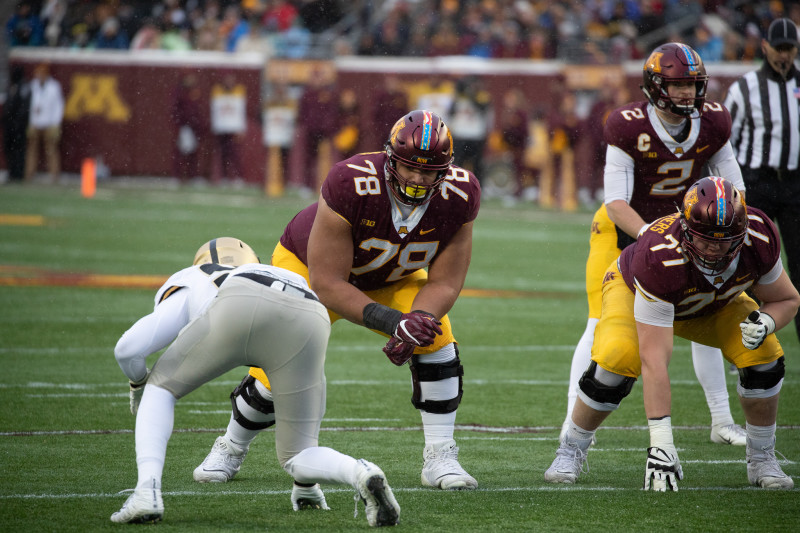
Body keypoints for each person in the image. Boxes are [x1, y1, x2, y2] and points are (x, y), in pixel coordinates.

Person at [194, 110, 480, 491]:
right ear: (390, 159)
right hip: (309, 267)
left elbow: (445, 282)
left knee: (436, 337)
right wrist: (394, 322)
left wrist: (417, 320)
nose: (417, 178)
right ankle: (230, 445)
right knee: (282, 357)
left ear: (445, 170)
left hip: (394, 273)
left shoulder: (461, 195)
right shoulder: (351, 180)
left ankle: (440, 456)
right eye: (410, 168)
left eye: (428, 172)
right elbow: (327, 283)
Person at [111, 237, 400, 526]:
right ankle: (360, 471)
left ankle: (145, 492)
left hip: (239, 298)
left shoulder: (192, 275)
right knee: (298, 452)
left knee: (160, 388)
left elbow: (128, 349)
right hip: (311, 310)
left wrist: (139, 384)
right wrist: (306, 487)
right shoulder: (278, 272)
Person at [545, 176, 799, 491]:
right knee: (616, 359)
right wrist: (661, 443)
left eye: (723, 240)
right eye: (705, 239)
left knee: (765, 356)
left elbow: (787, 299)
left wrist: (766, 322)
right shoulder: (660, 253)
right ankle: (571, 448)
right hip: (633, 292)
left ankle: (762, 457)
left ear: (743, 232)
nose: (713, 249)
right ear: (685, 227)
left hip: (711, 304)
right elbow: (654, 360)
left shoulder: (759, 236)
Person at [560, 42, 749, 447]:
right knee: (599, 323)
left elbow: (736, 189)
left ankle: (720, 419)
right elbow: (615, 203)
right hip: (625, 230)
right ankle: (571, 418)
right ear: (655, 85)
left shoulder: (714, 121)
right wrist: (653, 238)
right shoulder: (629, 125)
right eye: (678, 84)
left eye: (693, 84)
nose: (687, 93)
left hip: (692, 234)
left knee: (710, 313)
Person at [724, 18, 800, 341]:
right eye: (779, 48)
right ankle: (745, 334)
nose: (784, 55)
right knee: (749, 262)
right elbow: (724, 140)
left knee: (798, 264)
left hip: (796, 185)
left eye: (790, 49)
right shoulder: (745, 88)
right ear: (765, 46)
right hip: (757, 184)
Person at [24, 63, 63, 183]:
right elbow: (29, 106)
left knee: (51, 150)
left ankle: (54, 176)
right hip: (35, 123)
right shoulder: (33, 85)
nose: (39, 76)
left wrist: (56, 123)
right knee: (32, 150)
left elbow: (58, 106)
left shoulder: (54, 86)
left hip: (49, 123)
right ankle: (29, 175)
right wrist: (30, 122)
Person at [2, 65, 30, 183]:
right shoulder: (12, 86)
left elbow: (23, 108)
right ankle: (12, 172)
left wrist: (17, 122)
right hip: (10, 125)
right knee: (9, 149)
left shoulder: (23, 87)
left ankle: (18, 173)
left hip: (19, 125)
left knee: (19, 150)